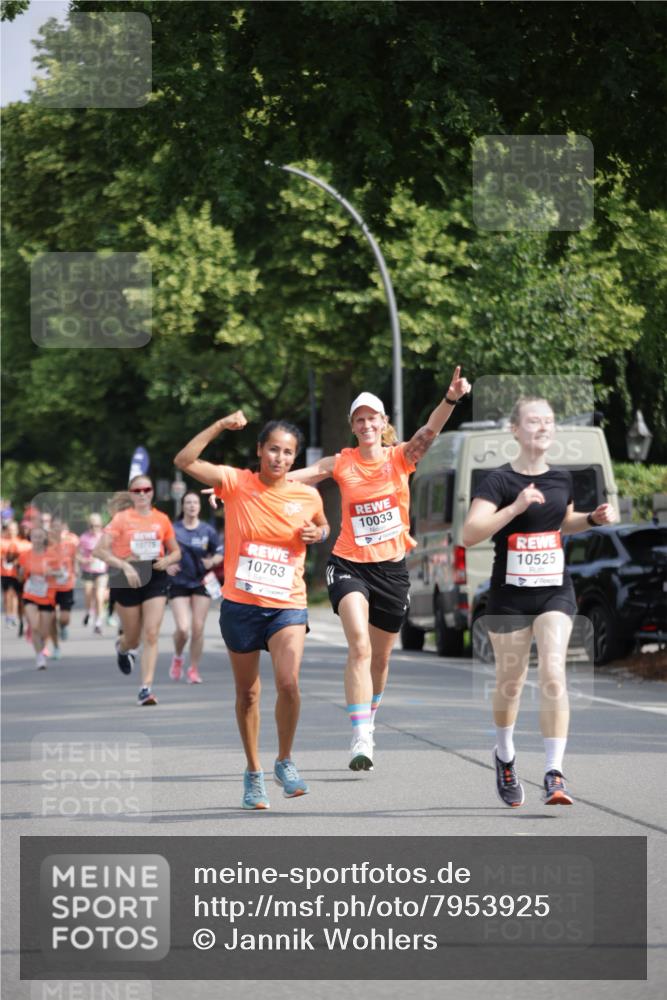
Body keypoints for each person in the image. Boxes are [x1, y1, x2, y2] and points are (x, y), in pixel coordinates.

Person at [288, 366, 471, 772]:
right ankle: (361, 736)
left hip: (391, 571)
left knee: (380, 660)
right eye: (359, 419)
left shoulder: (399, 458)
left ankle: (368, 717)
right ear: (352, 426)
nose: (366, 425)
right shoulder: (342, 462)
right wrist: (243, 488)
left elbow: (430, 431)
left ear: (383, 421)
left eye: (372, 418)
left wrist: (451, 398)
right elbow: (294, 479)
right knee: (359, 645)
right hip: (349, 564)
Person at [462, 396, 617, 807]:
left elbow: (562, 522)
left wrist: (591, 519)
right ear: (515, 430)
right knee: (510, 683)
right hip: (509, 595)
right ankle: (505, 755)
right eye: (534, 421)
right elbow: (470, 533)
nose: (543, 427)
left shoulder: (562, 479)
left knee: (552, 672)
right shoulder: (498, 481)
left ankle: (553, 772)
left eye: (548, 421)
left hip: (554, 589)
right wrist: (515, 507)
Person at [174, 411, 329, 810]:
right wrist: (220, 426)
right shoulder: (235, 482)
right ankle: (254, 771)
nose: (280, 458)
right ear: (260, 450)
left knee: (288, 683)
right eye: (273, 449)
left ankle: (285, 760)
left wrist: (319, 532)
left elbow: (322, 525)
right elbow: (184, 461)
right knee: (248, 694)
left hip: (287, 604)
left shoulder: (307, 495)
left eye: (288, 453)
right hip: (241, 605)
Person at [92, 477, 181, 706]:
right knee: (132, 638)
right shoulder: (121, 519)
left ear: (152, 492)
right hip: (126, 577)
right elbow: (99, 551)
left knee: (151, 633)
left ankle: (145, 689)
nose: (142, 493)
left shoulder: (161, 519)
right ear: (131, 494)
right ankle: (123, 648)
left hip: (154, 576)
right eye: (137, 490)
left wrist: (167, 560)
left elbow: (176, 551)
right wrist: (123, 565)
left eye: (146, 489)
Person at [167, 491, 223, 684]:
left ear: (199, 507)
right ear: (183, 506)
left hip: (201, 581)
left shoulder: (207, 530)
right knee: (183, 629)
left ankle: (193, 669)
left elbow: (219, 552)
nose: (192, 506)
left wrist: (212, 561)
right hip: (179, 582)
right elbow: (160, 551)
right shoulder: (173, 529)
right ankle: (177, 657)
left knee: (198, 628)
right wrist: (167, 564)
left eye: (195, 503)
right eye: (188, 502)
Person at [17, 525, 57, 669]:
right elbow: (20, 578)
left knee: (44, 631)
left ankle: (42, 645)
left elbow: (61, 574)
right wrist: (21, 573)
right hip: (30, 593)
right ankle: (39, 657)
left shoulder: (52, 555)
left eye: (40, 537)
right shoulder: (24, 555)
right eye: (35, 537)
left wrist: (52, 573)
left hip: (47, 595)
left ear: (45, 538)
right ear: (30, 538)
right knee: (34, 627)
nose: (37, 540)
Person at [47, 517, 79, 659]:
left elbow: (75, 558)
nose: (56, 529)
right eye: (53, 527)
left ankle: (63, 626)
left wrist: (76, 568)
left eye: (58, 527)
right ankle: (56, 647)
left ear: (63, 528)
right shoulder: (45, 545)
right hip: (49, 586)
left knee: (64, 618)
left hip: (66, 585)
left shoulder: (70, 544)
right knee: (51, 618)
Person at [78, 514, 109, 633]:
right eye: (91, 526)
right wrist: (84, 560)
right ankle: (89, 612)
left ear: (101, 525)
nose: (94, 528)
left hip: (102, 571)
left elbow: (112, 552)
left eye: (97, 526)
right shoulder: (84, 537)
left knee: (99, 596)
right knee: (88, 593)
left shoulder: (105, 536)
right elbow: (77, 554)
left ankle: (98, 622)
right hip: (88, 570)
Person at [1, 519, 29, 628]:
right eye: (10, 529)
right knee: (7, 596)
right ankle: (9, 616)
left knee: (16, 595)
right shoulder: (2, 541)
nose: (12, 531)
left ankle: (14, 616)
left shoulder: (22, 542)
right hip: (5, 573)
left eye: (14, 529)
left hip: (17, 574)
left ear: (17, 530)